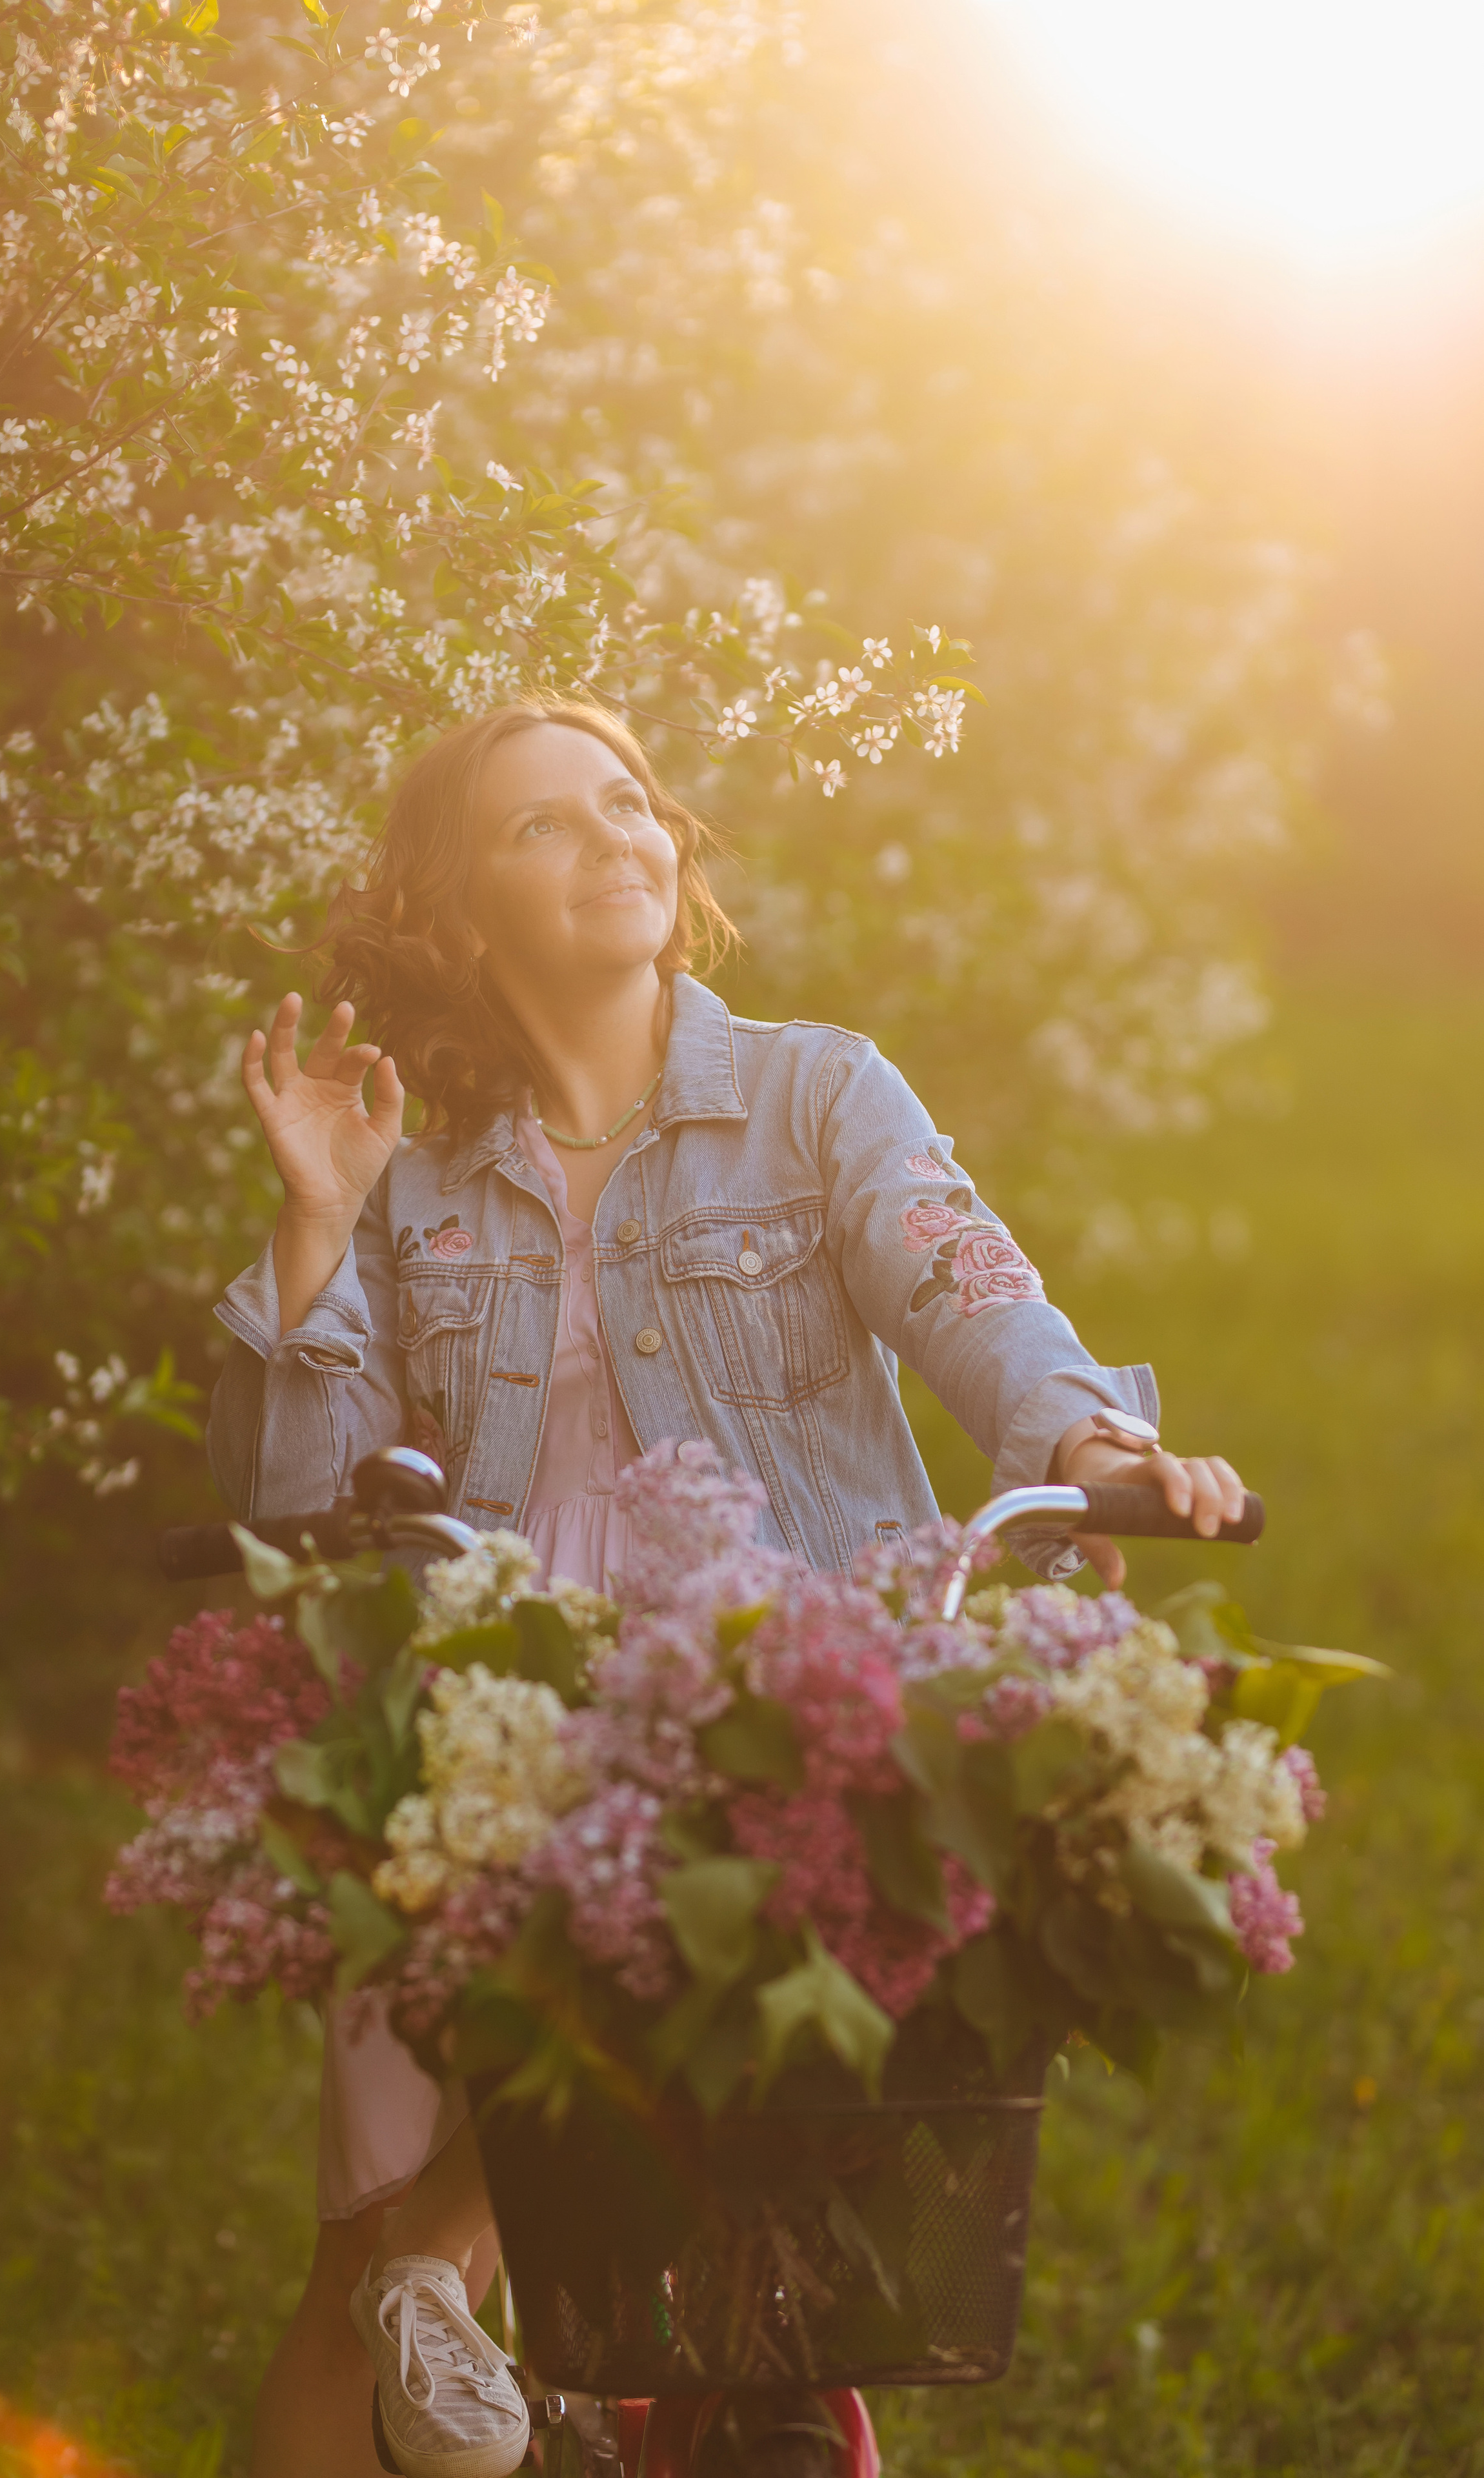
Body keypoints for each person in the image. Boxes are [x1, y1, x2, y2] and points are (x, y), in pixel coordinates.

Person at [207, 698, 1246, 2478]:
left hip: (769, 1693)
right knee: (349, 2271)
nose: (613, 835)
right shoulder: (411, 1182)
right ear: (458, 910)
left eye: (629, 802)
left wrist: (1091, 1444)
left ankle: (453, 2282)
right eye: (543, 823)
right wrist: (313, 1217)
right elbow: (303, 1511)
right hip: (491, 1703)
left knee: (740, 2196)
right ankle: (432, 2287)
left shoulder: (813, 1093)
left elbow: (969, 1287)